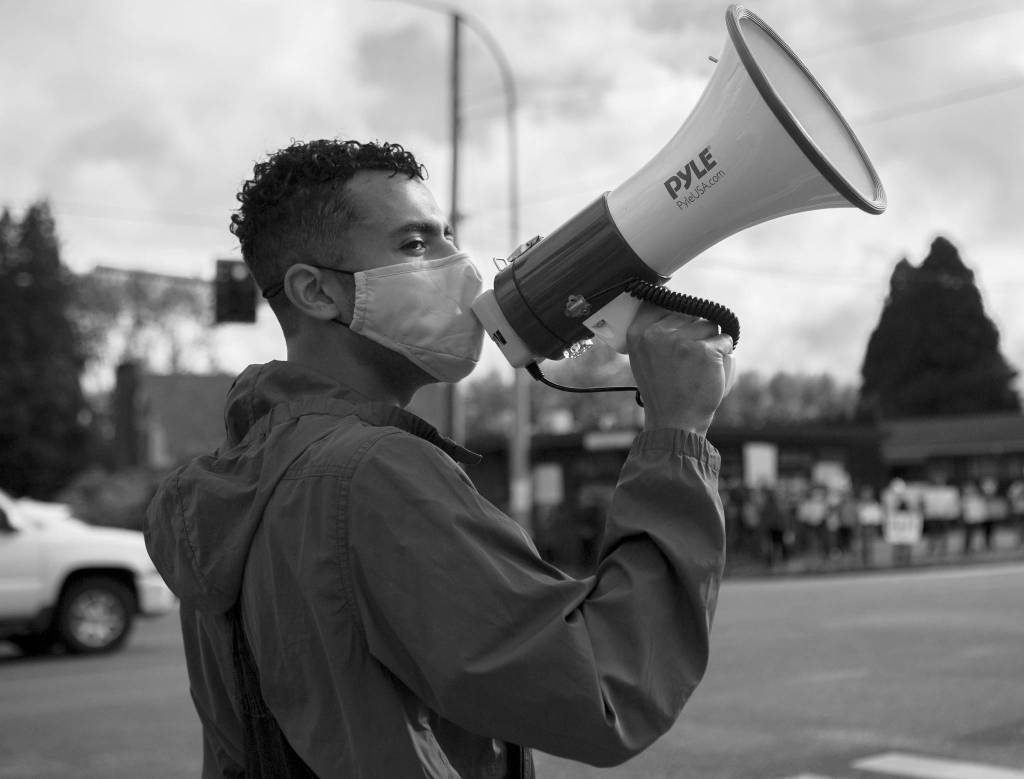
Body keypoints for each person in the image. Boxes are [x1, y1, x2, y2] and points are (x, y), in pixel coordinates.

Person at [144, 139, 735, 778]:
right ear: (317, 292)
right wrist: (677, 431)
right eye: (416, 245)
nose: (462, 269)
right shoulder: (372, 473)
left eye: (450, 237)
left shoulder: (245, 478)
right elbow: (607, 687)